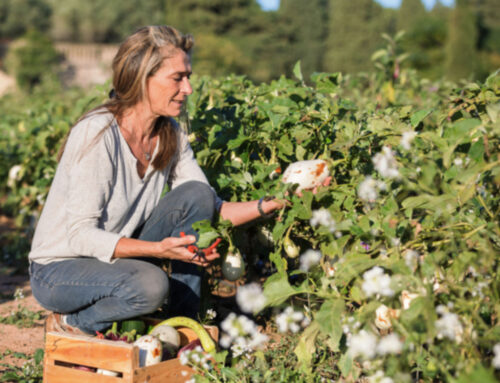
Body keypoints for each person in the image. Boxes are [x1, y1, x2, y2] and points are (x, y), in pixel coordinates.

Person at [28, 25, 284, 336]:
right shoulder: (98, 135)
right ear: (141, 77)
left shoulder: (170, 134)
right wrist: (159, 249)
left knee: (197, 194)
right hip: (60, 270)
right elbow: (81, 236)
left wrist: (274, 203)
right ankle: (74, 322)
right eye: (178, 77)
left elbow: (211, 208)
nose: (188, 88)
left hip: (114, 261)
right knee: (150, 285)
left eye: (188, 76)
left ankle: (178, 325)